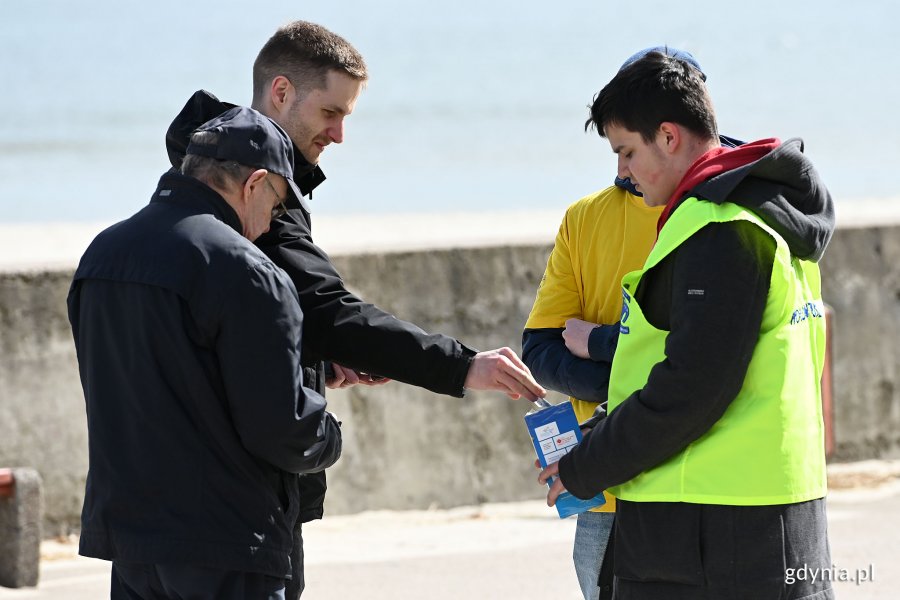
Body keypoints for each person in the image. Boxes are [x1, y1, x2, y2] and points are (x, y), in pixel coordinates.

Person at [164, 20, 546, 598]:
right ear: (282, 93)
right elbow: (326, 309)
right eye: (330, 113)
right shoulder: (254, 197)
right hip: (237, 504)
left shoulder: (188, 185)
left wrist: (311, 356)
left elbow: (251, 323)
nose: (340, 134)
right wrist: (463, 365)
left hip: (172, 502)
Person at [538, 51, 835, 599]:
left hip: (709, 531)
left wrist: (587, 465)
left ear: (669, 137)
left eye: (626, 151)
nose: (621, 171)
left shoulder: (715, 225)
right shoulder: (768, 215)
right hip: (775, 514)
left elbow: (693, 386)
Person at [68, 107, 341, 599]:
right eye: (277, 206)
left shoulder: (101, 255)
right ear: (254, 184)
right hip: (225, 544)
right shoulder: (246, 269)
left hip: (131, 541)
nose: (267, 226)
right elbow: (281, 428)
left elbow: (165, 377)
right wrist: (328, 433)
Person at [523, 47, 739, 600]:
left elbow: (705, 360)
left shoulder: (729, 217)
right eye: (617, 149)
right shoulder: (584, 219)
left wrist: (602, 352)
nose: (622, 166)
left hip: (702, 484)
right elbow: (542, 347)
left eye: (627, 149)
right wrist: (632, 389)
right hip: (603, 488)